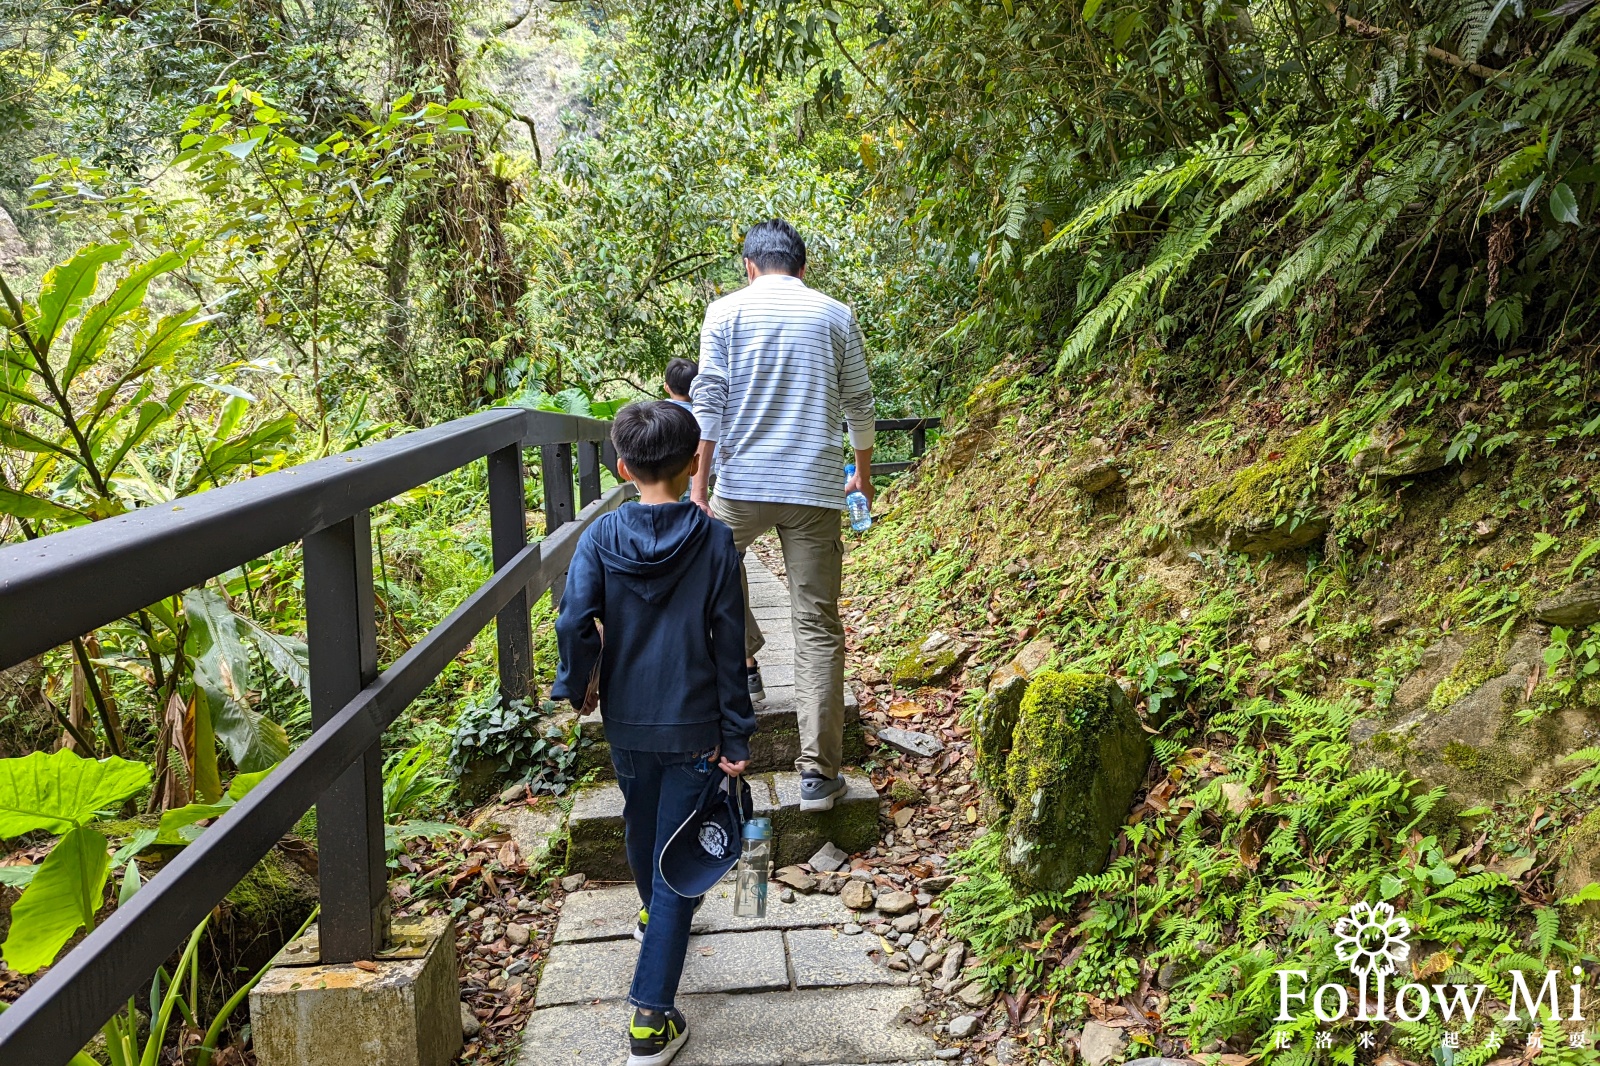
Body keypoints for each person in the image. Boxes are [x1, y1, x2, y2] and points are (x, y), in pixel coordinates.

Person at [552, 400, 756, 1066]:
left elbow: (572, 621)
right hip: (695, 721)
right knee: (674, 859)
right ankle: (649, 1019)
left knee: (642, 829)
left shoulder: (602, 538)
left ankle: (654, 921)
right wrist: (737, 734)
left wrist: (574, 679)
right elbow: (730, 644)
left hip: (628, 720)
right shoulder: (714, 540)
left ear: (622, 466)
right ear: (695, 462)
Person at [688, 218, 875, 812]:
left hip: (741, 485)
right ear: (802, 266)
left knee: (712, 567)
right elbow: (860, 402)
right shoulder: (834, 314)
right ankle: (819, 774)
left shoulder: (724, 313)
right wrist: (862, 475)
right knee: (817, 626)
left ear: (749, 266)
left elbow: (709, 400)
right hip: (816, 490)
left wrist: (698, 484)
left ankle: (744, 657)